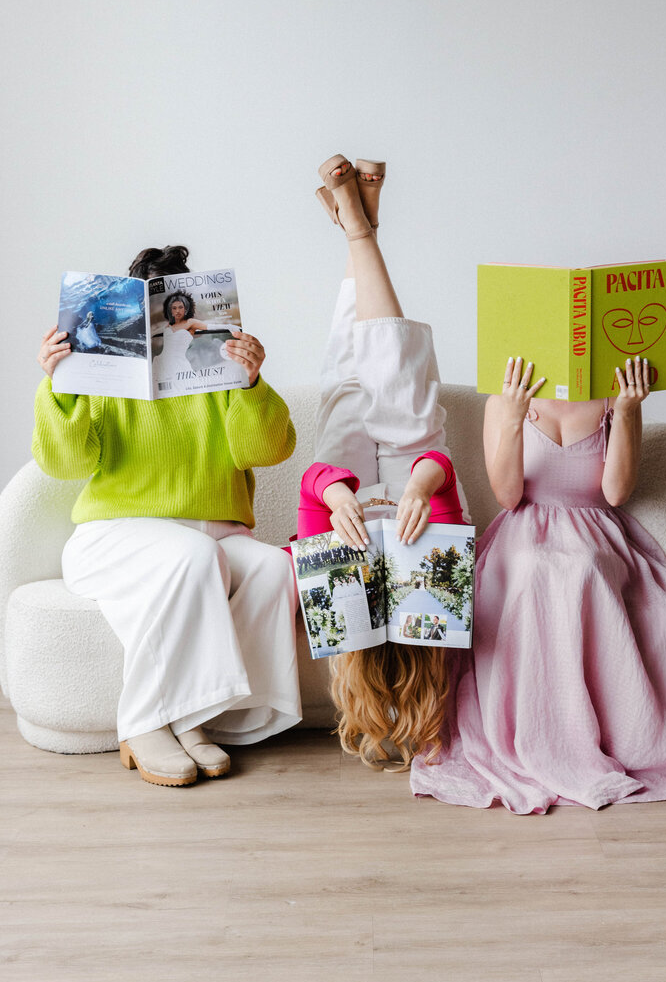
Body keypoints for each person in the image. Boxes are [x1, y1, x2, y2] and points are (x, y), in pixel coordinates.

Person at [34, 244, 300, 787]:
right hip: (114, 536)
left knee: (274, 568)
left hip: (211, 532)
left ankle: (193, 715)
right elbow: (66, 463)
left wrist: (249, 382)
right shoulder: (106, 371)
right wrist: (61, 384)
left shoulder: (217, 364)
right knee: (192, 555)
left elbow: (268, 450)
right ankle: (144, 721)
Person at [410, 354, 666, 813]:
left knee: (585, 567)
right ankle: (541, 738)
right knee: (536, 567)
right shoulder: (502, 400)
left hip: (595, 531)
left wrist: (630, 409)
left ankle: (589, 739)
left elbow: (615, 493)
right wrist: (514, 418)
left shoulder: (614, 398)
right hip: (523, 531)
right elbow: (508, 495)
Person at [298, 154, 469, 769]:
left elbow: (310, 486)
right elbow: (438, 468)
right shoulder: (438, 595)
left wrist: (336, 495)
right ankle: (360, 225)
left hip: (348, 476)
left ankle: (358, 218)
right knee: (395, 389)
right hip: (408, 458)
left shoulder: (339, 611)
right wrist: (420, 487)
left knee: (347, 364)